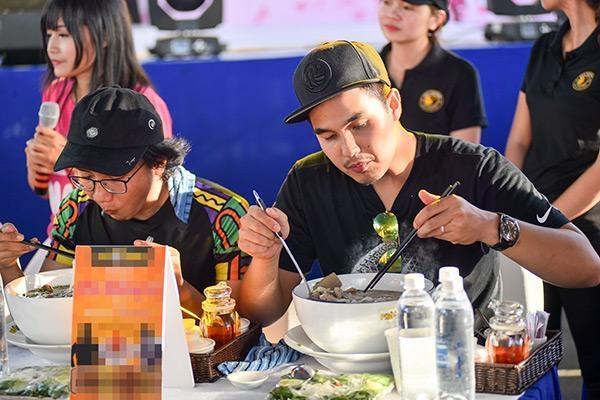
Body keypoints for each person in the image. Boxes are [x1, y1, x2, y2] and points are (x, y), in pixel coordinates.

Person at [236, 40, 600, 328]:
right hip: (356, 368)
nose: (349, 151)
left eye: (359, 125)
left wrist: (489, 227)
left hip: (462, 365)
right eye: (328, 136)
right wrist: (265, 258)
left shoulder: (472, 166)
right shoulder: (308, 181)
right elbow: (261, 315)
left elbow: (586, 267)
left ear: (394, 105)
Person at [1, 87, 248, 318]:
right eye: (86, 178)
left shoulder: (222, 215)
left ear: (159, 163)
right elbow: (49, 312)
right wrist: (8, 265)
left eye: (114, 180)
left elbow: (239, 326)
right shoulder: (77, 208)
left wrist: (179, 288)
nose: (100, 195)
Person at [504, 0, 600, 394]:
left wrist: (549, 222)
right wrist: (509, 208)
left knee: (595, 360)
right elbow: (519, 140)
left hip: (587, 231)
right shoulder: (544, 46)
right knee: (533, 359)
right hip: (532, 225)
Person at [25, 0, 173, 238]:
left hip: (122, 243)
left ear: (104, 35)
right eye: (49, 34)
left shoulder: (142, 106)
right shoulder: (55, 91)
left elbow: (159, 193)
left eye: (63, 35)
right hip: (63, 236)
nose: (51, 47)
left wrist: (71, 159)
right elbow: (51, 190)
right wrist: (38, 170)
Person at [378, 0, 487, 143]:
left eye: (407, 7)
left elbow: (465, 151)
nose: (392, 14)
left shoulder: (459, 73)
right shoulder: (368, 69)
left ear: (436, 19)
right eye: (387, 2)